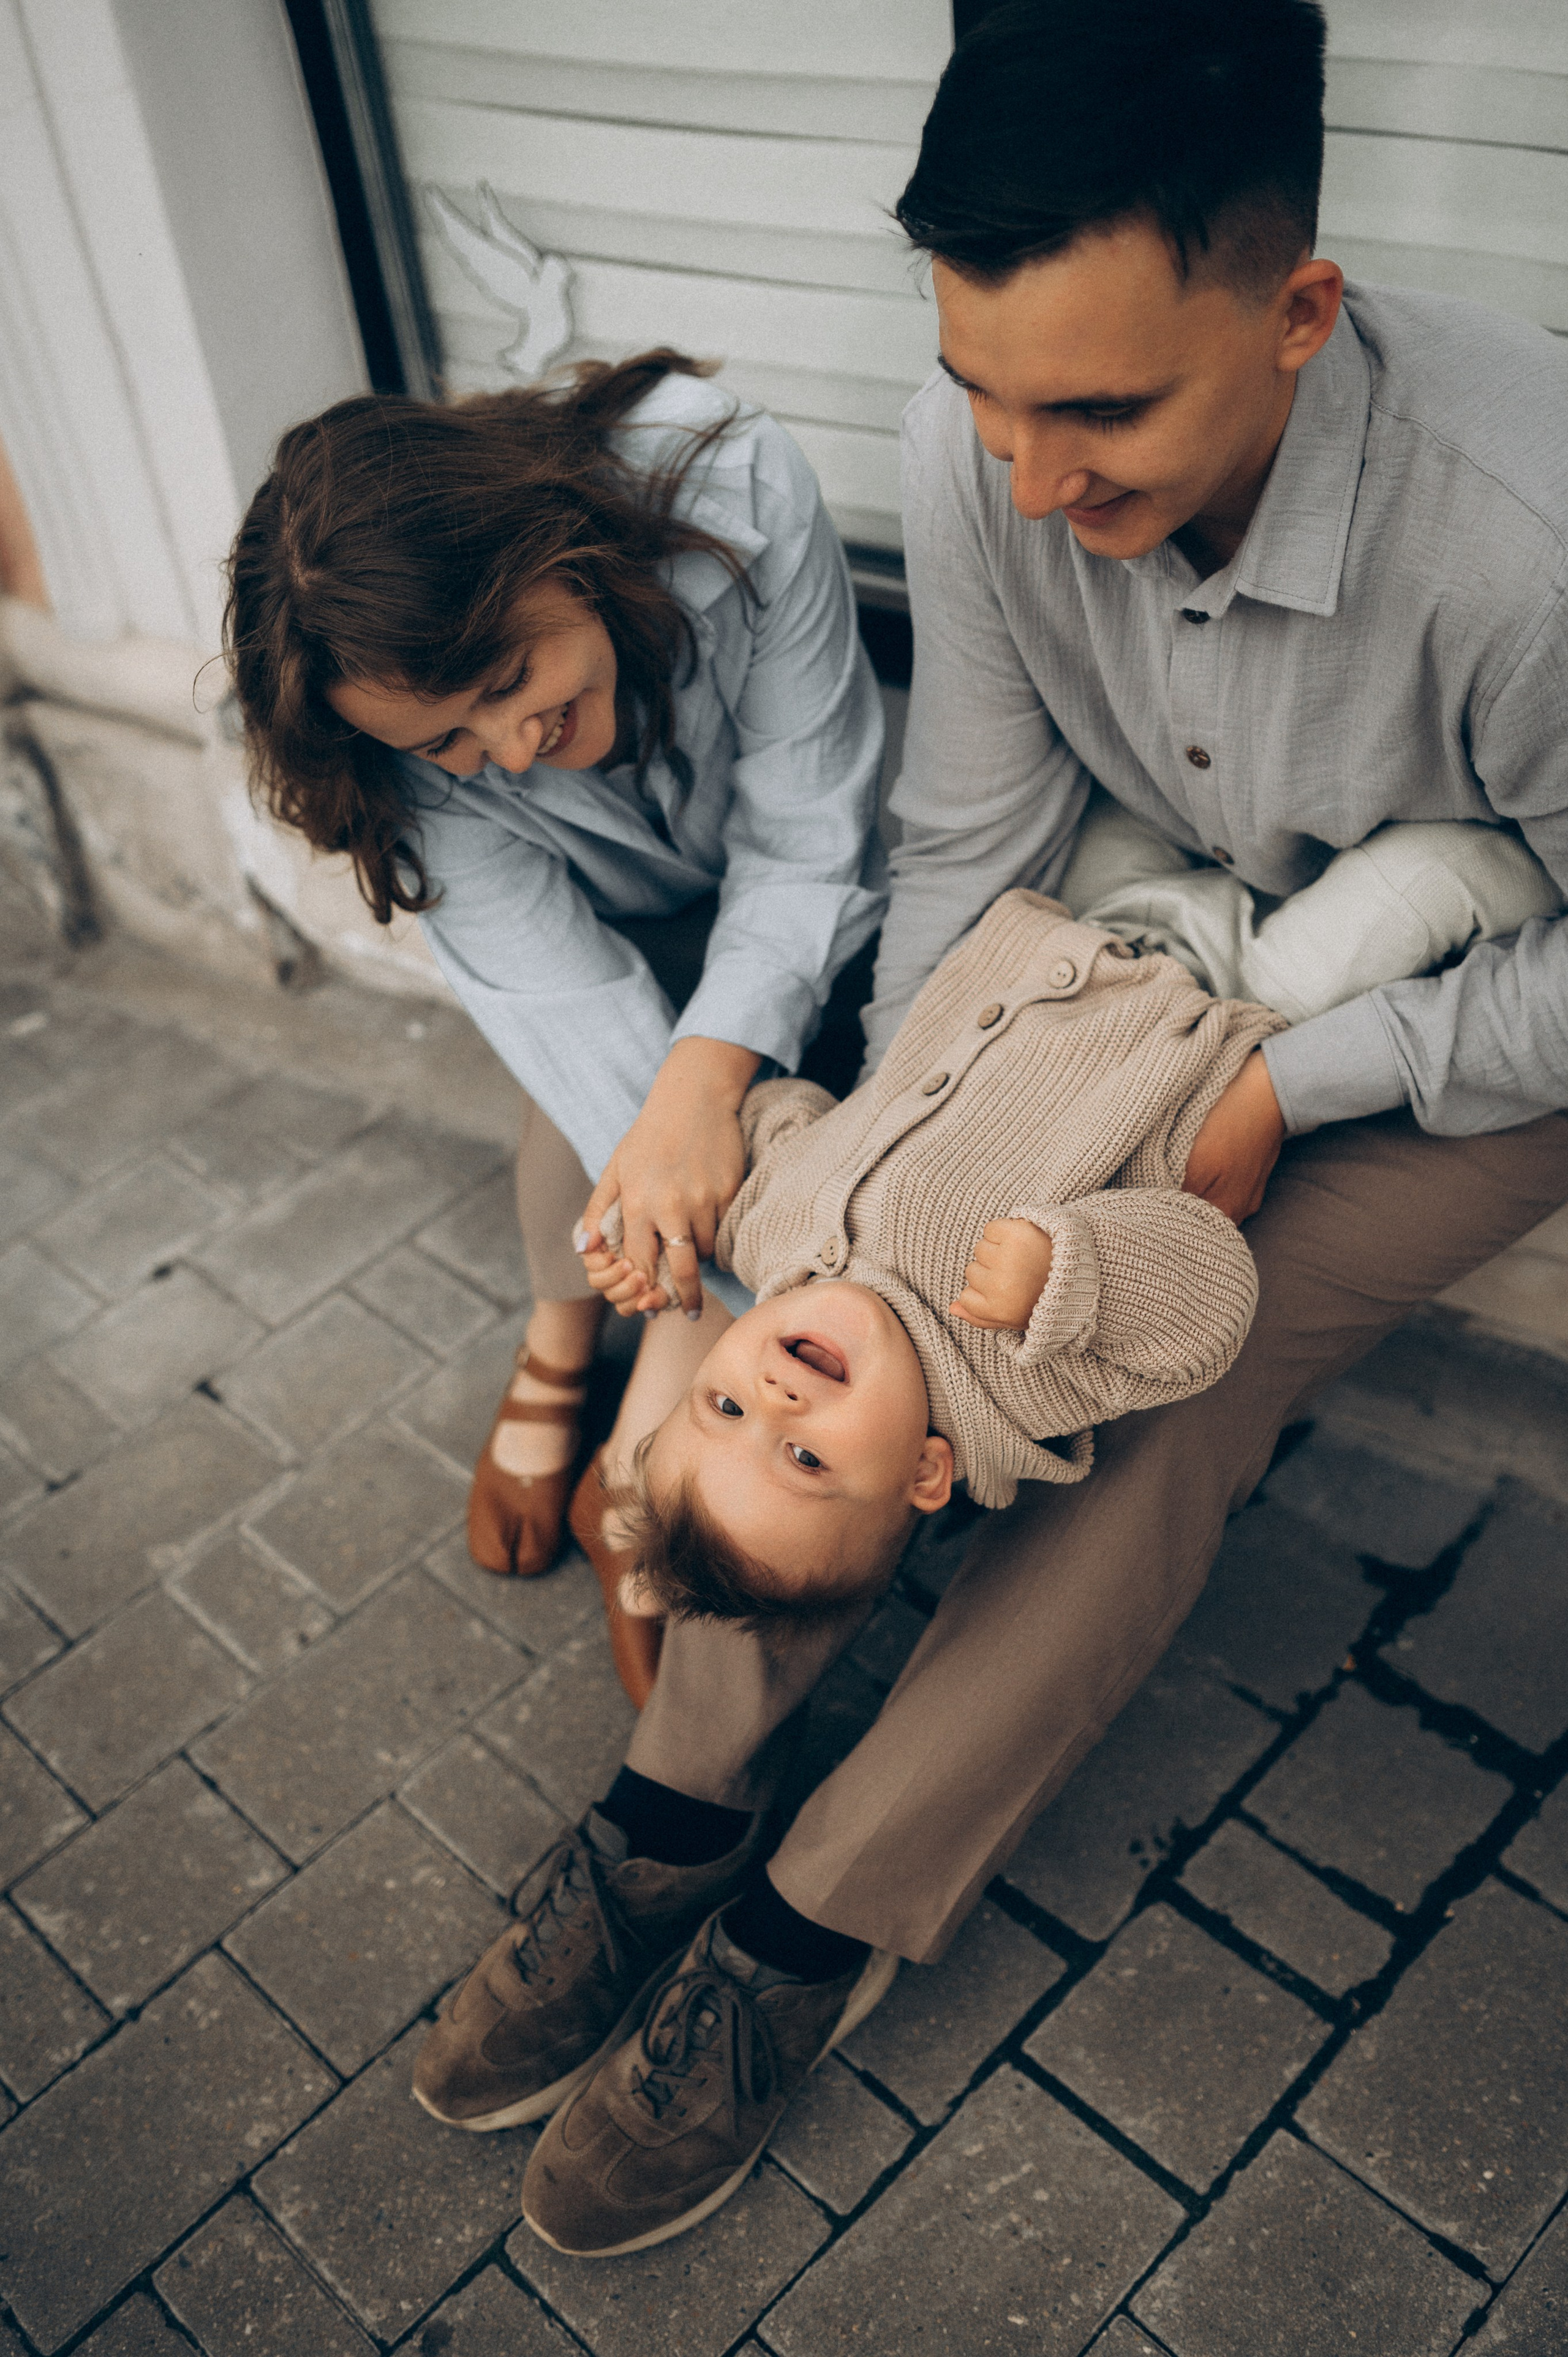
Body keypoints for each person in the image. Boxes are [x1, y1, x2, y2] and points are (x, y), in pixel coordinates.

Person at [415, 0, 1568, 2261]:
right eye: (982, 396)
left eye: (1104, 413)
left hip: (1459, 1027)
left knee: (1163, 1396)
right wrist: (918, 1140)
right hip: (1116, 961)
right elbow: (963, 837)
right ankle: (670, 1813)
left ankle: (809, 1936)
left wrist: (1283, 1081)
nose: (1028, 480)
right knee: (832, 1289)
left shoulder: (1533, 535)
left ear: (1301, 313)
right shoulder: (991, 452)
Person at [224, 349, 886, 1673]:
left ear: (545, 547)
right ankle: (570, 1336)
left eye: (505, 682)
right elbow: (573, 1002)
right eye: (449, 744)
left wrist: (706, 1089)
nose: (507, 752)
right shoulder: (390, 759)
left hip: (827, 869)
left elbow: (810, 833)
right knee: (602, 1096)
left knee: (703, 1092)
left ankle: (615, 1426)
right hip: (620, 923)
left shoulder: (729, 480)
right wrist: (746, 1278)